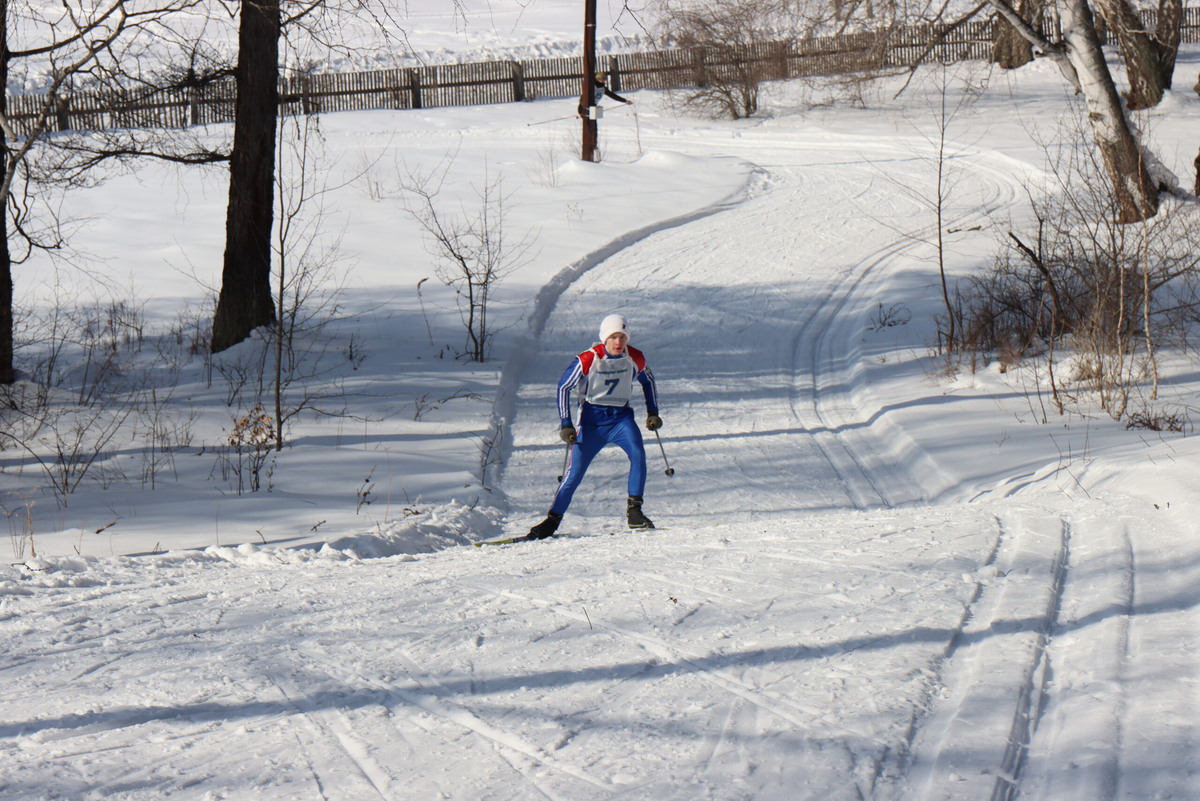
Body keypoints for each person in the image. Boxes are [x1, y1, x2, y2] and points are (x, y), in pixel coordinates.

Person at [528, 313, 662, 539]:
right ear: (604, 339)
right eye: (613, 337)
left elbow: (648, 381)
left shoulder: (635, 357)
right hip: (593, 422)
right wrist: (566, 424)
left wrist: (653, 412)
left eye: (622, 337)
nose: (618, 343)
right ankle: (552, 521)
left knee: (638, 454)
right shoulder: (588, 358)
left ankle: (634, 512)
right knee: (575, 473)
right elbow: (563, 387)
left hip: (621, 418)